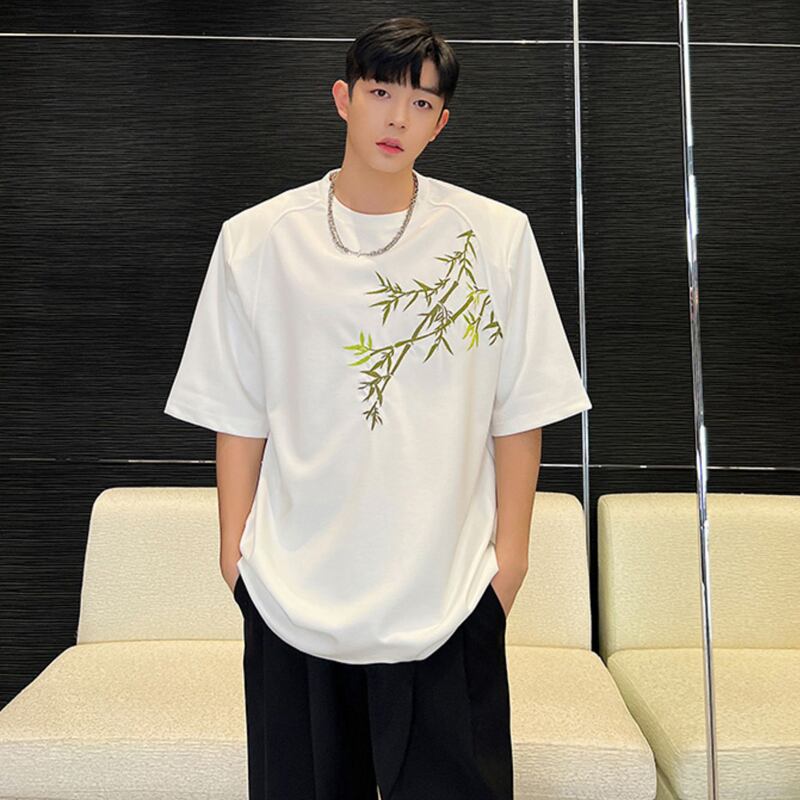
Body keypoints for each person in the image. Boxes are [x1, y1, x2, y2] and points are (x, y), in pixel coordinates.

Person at [164, 15, 591, 800]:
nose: (398, 117)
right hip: (292, 599)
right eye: (381, 92)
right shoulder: (257, 241)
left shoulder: (495, 239)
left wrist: (510, 565)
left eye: (421, 103)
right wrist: (236, 560)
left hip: (449, 597)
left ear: (441, 123)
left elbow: (521, 411)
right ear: (343, 99)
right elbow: (238, 414)